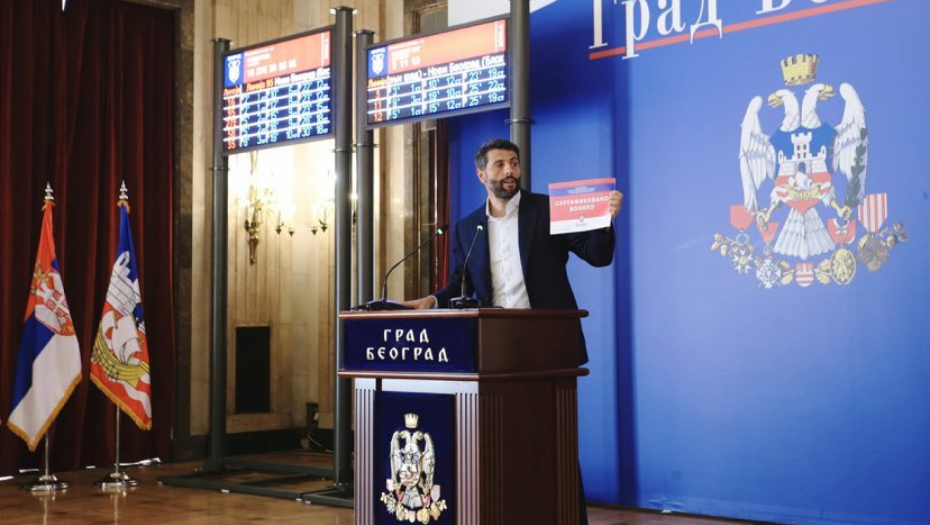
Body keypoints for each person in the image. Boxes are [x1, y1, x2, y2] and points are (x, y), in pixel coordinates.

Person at [405, 138, 623, 365]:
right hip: (494, 341)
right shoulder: (467, 228)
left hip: (550, 338)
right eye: (499, 164)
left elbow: (598, 256)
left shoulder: (549, 210)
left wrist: (604, 222)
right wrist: (431, 301)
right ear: (481, 175)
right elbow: (461, 284)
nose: (509, 170)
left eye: (514, 163)